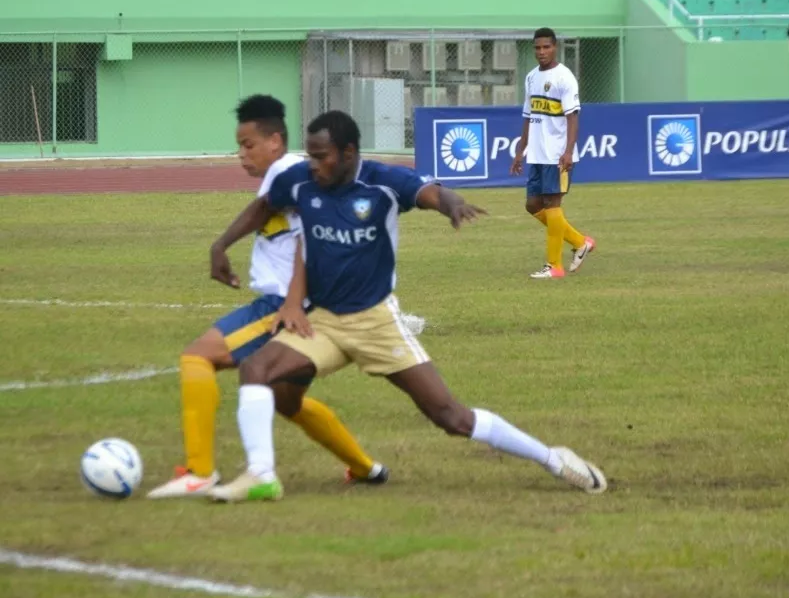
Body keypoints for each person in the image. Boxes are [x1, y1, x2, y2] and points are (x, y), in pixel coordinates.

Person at [204, 110, 608, 502]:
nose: (313, 165)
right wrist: (222, 244)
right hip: (323, 321)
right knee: (257, 368)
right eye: (309, 155)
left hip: (376, 323)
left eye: (321, 156)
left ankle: (554, 459)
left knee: (451, 417)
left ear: (348, 153)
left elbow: (429, 192)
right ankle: (261, 474)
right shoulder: (301, 180)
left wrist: (450, 203)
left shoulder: (382, 181)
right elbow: (265, 205)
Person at [147, 96, 388, 499]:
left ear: (275, 141)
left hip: (283, 305)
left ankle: (199, 472)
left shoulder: (292, 170)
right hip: (303, 305)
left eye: (248, 144)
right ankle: (367, 468)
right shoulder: (285, 174)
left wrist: (295, 299)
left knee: (198, 357)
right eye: (238, 146)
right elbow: (263, 209)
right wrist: (221, 245)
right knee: (284, 399)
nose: (241, 154)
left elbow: (319, 231)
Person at [510, 27, 595, 279]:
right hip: (537, 153)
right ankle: (580, 242)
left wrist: (568, 151)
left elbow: (573, 117)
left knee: (553, 204)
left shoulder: (564, 77)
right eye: (537, 47)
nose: (541, 52)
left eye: (546, 47)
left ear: (555, 47)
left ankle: (554, 266)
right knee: (533, 205)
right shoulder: (531, 77)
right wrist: (520, 149)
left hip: (557, 155)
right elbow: (528, 115)